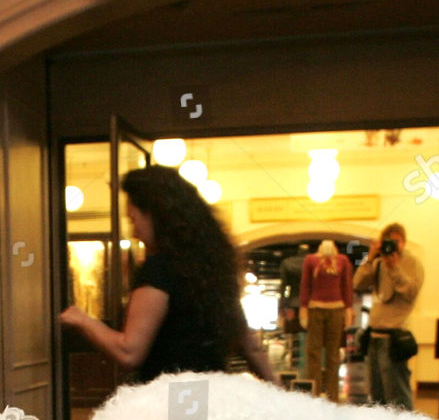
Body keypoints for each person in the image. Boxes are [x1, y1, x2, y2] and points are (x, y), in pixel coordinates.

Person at [58, 165, 276, 384]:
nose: (134, 232)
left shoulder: (160, 269)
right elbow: (252, 347)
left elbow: (129, 352)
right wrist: (283, 395)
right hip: (212, 395)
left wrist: (82, 320)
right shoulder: (214, 269)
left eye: (134, 220)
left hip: (170, 397)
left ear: (156, 215)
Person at [353, 222, 424, 410]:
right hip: (374, 337)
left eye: (396, 242)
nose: (392, 246)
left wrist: (394, 269)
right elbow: (358, 282)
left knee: (398, 395)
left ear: (404, 242)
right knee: (377, 397)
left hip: (394, 338)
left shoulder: (412, 263)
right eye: (388, 242)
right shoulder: (377, 264)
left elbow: (411, 291)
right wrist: (370, 258)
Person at [299, 240, 353, 400]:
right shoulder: (311, 260)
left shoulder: (342, 261)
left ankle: (332, 396)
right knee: (313, 352)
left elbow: (347, 286)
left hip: (336, 309)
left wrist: (348, 309)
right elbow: (305, 285)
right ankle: (314, 395)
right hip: (315, 308)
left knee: (333, 354)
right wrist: (303, 307)